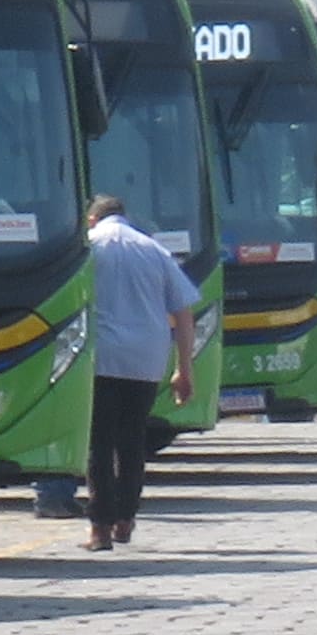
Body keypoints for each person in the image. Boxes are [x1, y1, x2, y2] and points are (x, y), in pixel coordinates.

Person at [79, 188, 200, 551]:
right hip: (146, 357)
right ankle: (125, 519)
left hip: (101, 357)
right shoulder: (153, 250)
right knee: (131, 441)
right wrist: (185, 368)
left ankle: (99, 527)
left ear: (92, 219)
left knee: (98, 443)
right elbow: (184, 314)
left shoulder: (88, 248)